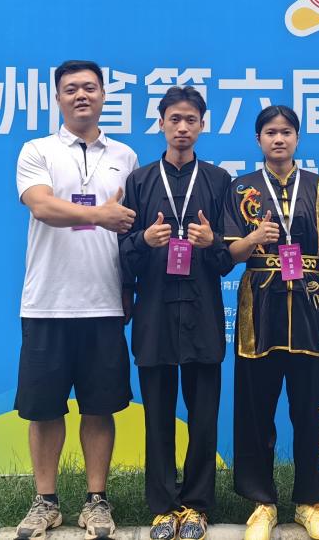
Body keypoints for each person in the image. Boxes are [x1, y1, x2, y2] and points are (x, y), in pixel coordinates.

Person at [13, 60, 139, 540]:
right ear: (58, 98)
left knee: (99, 407)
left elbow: (129, 229)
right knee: (44, 408)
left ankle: (96, 500)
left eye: (89, 87)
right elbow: (41, 205)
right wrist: (99, 216)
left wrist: (129, 287)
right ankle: (45, 502)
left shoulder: (125, 156)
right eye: (71, 89)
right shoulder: (37, 150)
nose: (81, 95)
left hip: (104, 301)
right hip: (47, 301)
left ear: (103, 95)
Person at [118, 85, 233, 540]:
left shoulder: (219, 181)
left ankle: (198, 506)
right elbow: (122, 251)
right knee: (158, 416)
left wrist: (212, 242)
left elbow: (227, 258)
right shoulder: (140, 181)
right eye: (174, 119)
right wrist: (143, 241)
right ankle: (164, 507)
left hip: (202, 312)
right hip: (155, 314)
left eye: (191, 120)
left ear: (203, 125)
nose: (182, 127)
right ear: (161, 123)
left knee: (203, 417)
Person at [224, 106, 319, 540]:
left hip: (311, 306)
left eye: (287, 132)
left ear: (297, 138)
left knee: (312, 409)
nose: (279, 139)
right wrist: (254, 239)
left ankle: (311, 503)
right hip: (259, 309)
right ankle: (262, 503)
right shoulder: (241, 188)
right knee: (256, 410)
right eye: (270, 132)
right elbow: (228, 254)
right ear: (258, 139)